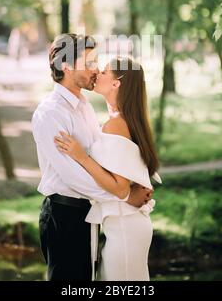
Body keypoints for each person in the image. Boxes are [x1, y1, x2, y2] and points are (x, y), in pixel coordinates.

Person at [31, 34, 153, 281]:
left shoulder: (84, 105)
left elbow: (106, 161)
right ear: (66, 66)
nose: (95, 69)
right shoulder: (50, 113)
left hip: (90, 214)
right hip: (64, 215)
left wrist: (128, 187)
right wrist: (126, 196)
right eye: (89, 62)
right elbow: (73, 176)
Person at [55, 56, 161, 281]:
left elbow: (120, 188)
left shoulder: (117, 124)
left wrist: (81, 156)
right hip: (124, 225)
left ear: (116, 83)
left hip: (125, 228)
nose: (96, 73)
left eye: (103, 71)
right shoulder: (120, 120)